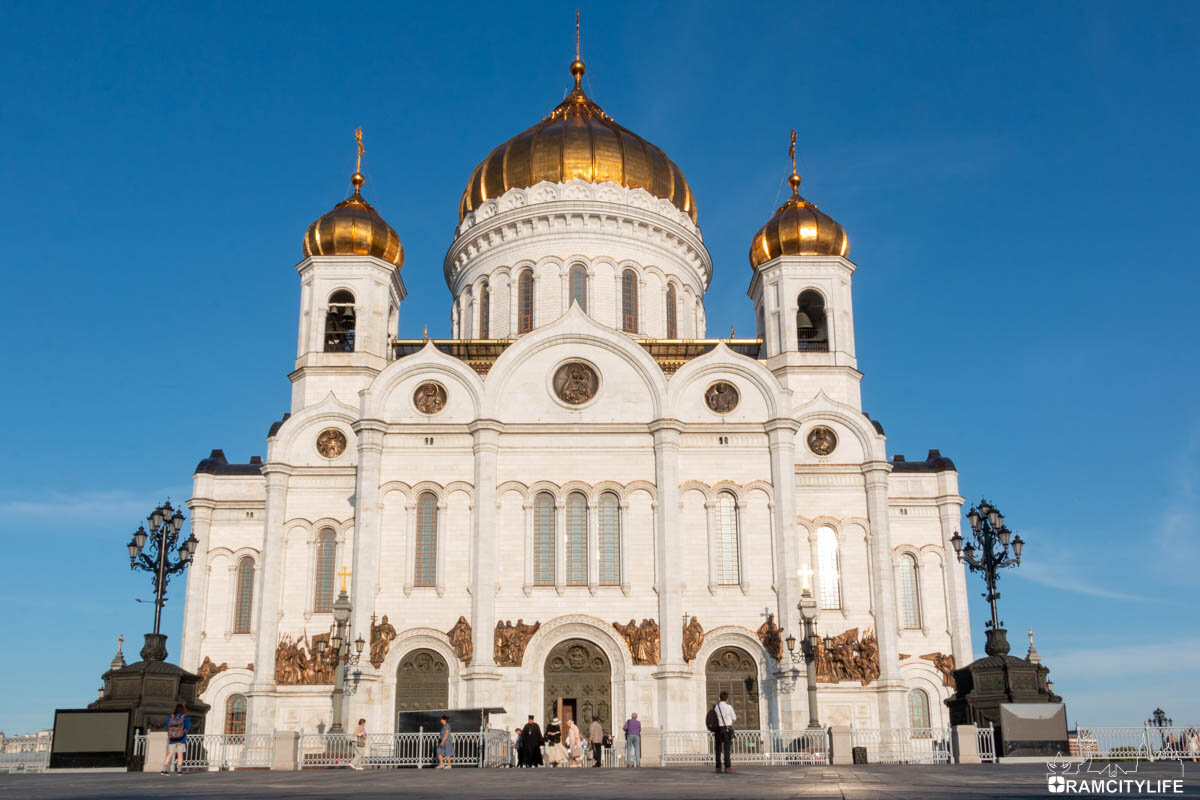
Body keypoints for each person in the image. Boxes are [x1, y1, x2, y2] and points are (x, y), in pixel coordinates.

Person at [160, 703, 190, 775]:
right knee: (180, 754)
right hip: (181, 739)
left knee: (169, 754)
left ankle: (164, 770)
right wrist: (183, 732)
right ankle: (179, 771)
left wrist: (172, 734)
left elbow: (167, 727)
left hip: (172, 739)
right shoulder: (185, 717)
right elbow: (188, 727)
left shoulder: (171, 717)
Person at [712, 690, 737, 774]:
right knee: (727, 749)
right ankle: (727, 767)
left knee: (718, 749)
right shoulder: (729, 707)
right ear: (727, 699)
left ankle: (718, 767)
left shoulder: (716, 707)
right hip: (727, 729)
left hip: (718, 729)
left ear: (719, 698)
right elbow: (734, 718)